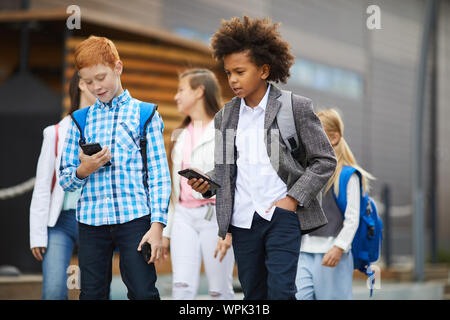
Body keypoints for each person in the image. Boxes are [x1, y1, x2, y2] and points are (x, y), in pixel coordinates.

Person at [188, 16, 337, 300]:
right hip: (243, 221)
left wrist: (292, 200)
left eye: (240, 72)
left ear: (264, 70)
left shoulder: (296, 108)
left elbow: (325, 160)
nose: (232, 79)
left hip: (282, 217)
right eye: (228, 72)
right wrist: (207, 182)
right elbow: (226, 170)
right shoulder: (225, 116)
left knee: (281, 292)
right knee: (254, 295)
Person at [59, 36, 171, 300]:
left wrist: (158, 226)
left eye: (101, 77)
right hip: (91, 221)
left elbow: (158, 176)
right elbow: (65, 178)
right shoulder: (79, 120)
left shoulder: (146, 114)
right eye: (87, 81)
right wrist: (83, 170)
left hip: (135, 220)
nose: (95, 86)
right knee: (92, 294)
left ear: (118, 67)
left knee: (143, 292)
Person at [162, 68, 235, 300]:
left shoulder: (225, 131)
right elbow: (174, 191)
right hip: (183, 217)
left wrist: (228, 228)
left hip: (216, 217)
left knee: (218, 291)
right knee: (180, 288)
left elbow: (233, 181)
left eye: (181, 90)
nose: (176, 96)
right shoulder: (180, 134)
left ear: (199, 91)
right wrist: (166, 232)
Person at [29, 72, 97, 299]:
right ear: (81, 84)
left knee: (94, 291)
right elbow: (42, 186)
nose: (100, 86)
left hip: (96, 220)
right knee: (53, 291)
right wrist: (37, 234)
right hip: (60, 222)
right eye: (92, 80)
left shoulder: (109, 128)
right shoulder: (55, 132)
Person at [295, 108, 375, 300]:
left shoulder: (348, 175)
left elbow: (352, 218)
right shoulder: (306, 172)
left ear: (334, 138)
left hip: (331, 253)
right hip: (303, 252)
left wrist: (339, 247)